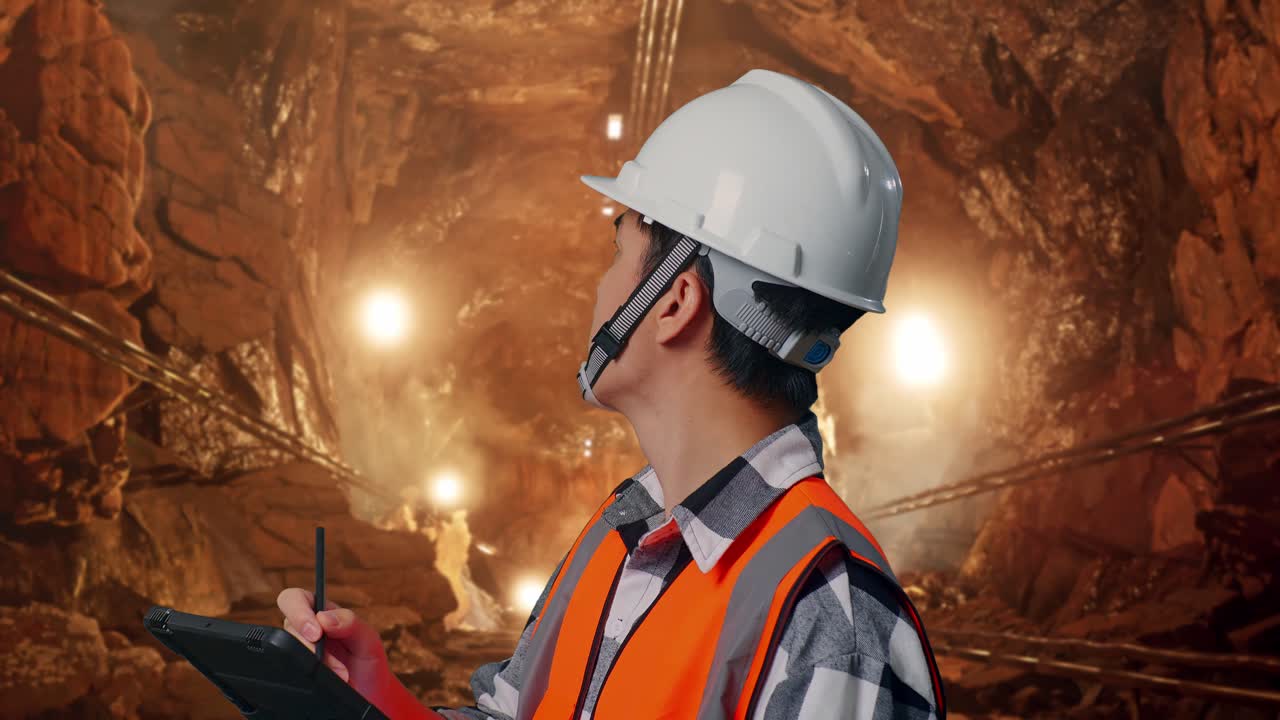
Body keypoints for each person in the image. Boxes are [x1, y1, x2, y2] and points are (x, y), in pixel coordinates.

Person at [279, 68, 946, 719]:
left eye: (619, 253)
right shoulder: (625, 532)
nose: (598, 288)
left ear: (675, 301)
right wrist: (374, 699)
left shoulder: (826, 612)